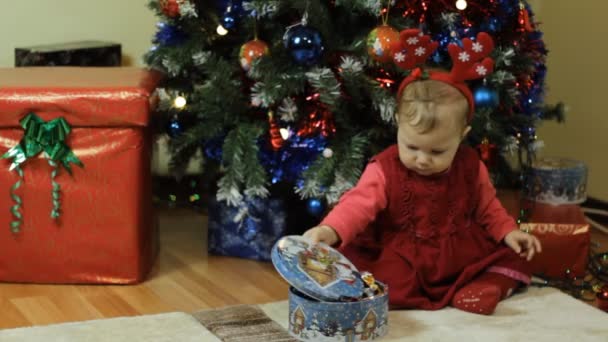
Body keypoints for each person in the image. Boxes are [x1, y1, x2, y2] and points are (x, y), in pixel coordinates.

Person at [303, 30, 541, 315]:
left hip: (457, 253)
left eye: (437, 152)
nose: (422, 159)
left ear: (462, 135)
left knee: (519, 254)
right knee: (378, 281)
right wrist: (329, 230)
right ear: (398, 125)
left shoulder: (469, 164)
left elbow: (488, 207)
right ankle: (461, 288)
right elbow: (357, 205)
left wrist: (508, 232)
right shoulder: (385, 168)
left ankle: (484, 287)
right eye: (412, 146)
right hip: (405, 257)